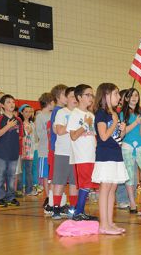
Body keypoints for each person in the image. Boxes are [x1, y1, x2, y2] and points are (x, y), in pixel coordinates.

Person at [92, 83, 129, 235]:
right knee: (105, 188)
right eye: (116, 94)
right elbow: (104, 136)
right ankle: (103, 224)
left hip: (116, 153)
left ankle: (110, 222)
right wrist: (114, 123)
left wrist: (122, 130)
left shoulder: (115, 114)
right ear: (106, 95)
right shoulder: (101, 114)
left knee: (113, 187)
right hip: (105, 154)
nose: (119, 97)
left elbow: (117, 138)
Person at [66, 84, 99, 221]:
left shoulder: (91, 114)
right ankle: (78, 211)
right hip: (81, 156)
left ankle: (80, 211)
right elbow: (73, 136)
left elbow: (93, 136)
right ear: (79, 97)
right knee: (85, 184)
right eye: (87, 95)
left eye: (92, 95)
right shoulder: (75, 114)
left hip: (91, 155)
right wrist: (85, 125)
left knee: (88, 184)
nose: (91, 97)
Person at [52, 87, 80, 219]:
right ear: (66, 98)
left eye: (77, 97)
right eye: (72, 96)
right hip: (63, 152)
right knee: (59, 181)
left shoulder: (81, 113)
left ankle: (73, 210)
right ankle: (56, 208)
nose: (75, 99)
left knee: (75, 183)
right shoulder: (62, 112)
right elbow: (59, 130)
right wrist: (73, 122)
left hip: (78, 153)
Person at [118, 88, 141, 214]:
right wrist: (136, 122)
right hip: (128, 147)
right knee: (130, 176)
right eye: (132, 96)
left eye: (136, 95)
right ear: (126, 99)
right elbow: (123, 133)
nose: (134, 98)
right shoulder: (123, 114)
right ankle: (132, 203)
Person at [0, 94, 23, 207]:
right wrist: (8, 126)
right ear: (2, 105)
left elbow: (20, 136)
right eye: (8, 102)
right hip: (1, 153)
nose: (11, 104)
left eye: (13, 102)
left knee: (11, 176)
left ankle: (10, 197)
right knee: (0, 175)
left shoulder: (18, 120)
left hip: (14, 152)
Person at [45, 84, 68, 215]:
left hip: (58, 149)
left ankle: (57, 203)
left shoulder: (62, 110)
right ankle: (52, 205)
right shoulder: (58, 111)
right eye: (66, 95)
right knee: (56, 178)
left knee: (59, 178)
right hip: (56, 149)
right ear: (58, 97)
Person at [35, 93, 54, 204]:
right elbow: (40, 135)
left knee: (53, 175)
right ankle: (47, 196)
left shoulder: (54, 115)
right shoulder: (40, 117)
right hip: (44, 151)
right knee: (46, 176)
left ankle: (53, 195)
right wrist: (49, 131)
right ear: (48, 103)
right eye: (53, 102)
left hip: (53, 150)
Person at [17, 104, 37, 196]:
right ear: (21, 112)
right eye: (26, 111)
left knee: (29, 170)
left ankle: (29, 190)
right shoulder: (18, 123)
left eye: (30, 111)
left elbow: (34, 138)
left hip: (29, 150)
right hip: (20, 150)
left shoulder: (32, 124)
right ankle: (19, 189)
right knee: (19, 171)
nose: (28, 113)